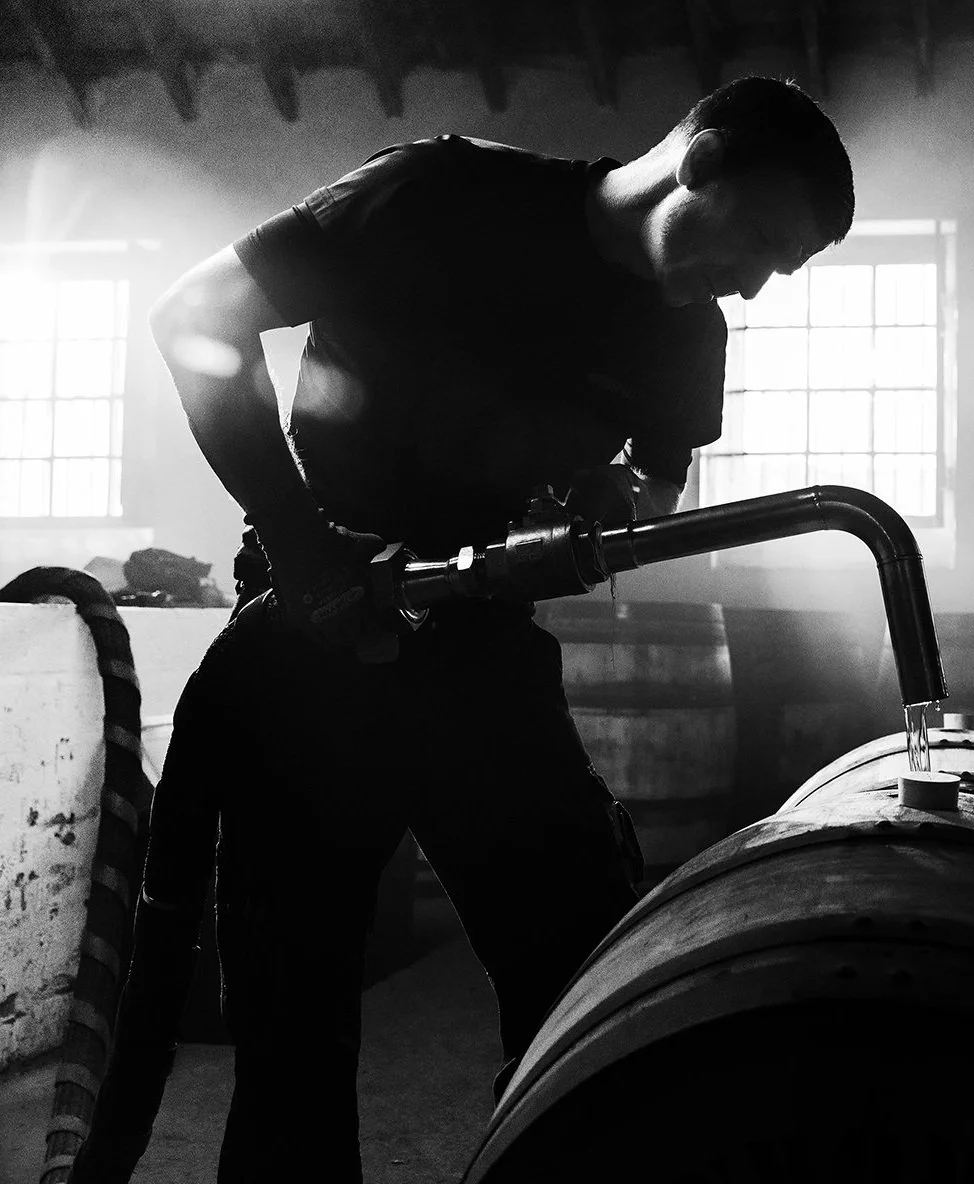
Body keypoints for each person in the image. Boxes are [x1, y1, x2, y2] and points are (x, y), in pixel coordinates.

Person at [79, 76, 853, 1183]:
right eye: (765, 239)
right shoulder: (439, 195)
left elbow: (661, 476)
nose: (757, 284)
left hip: (483, 656)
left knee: (582, 970)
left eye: (786, 268)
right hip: (313, 643)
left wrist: (615, 496)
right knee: (292, 1023)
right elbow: (194, 316)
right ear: (702, 162)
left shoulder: (686, 341)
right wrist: (300, 540)